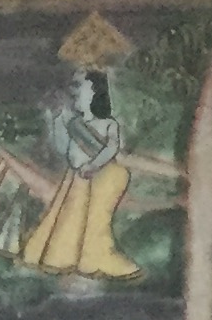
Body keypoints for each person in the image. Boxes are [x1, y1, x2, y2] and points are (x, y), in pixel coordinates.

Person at [28, 64, 141, 283]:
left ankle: (93, 262)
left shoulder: (108, 124)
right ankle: (69, 262)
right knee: (69, 221)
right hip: (77, 179)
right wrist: (55, 119)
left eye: (81, 86)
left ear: (95, 92)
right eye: (75, 87)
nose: (76, 92)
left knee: (93, 223)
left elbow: (111, 148)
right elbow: (62, 148)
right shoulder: (75, 123)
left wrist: (93, 165)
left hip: (102, 178)